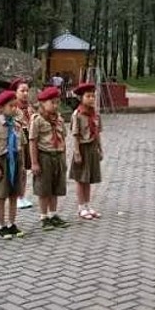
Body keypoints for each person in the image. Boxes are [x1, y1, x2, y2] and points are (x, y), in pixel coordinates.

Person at [0, 90, 27, 239]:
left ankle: (12, 223)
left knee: (14, 195)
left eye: (16, 106)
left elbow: (22, 145)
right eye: (11, 106)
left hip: (15, 160)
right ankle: (1, 225)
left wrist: (22, 166)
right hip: (3, 162)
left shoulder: (17, 125)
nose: (14, 108)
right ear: (2, 107)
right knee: (1, 195)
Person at [29, 87, 69, 230]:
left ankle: (53, 214)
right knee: (44, 188)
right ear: (42, 103)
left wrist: (64, 158)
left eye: (57, 102)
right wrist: (34, 162)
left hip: (57, 156)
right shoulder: (37, 120)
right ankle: (44, 216)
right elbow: (33, 141)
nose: (55, 105)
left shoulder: (59, 120)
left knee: (56, 187)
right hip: (44, 156)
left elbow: (63, 139)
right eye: (52, 102)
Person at [69, 83, 103, 220]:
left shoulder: (95, 114)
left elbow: (98, 133)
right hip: (82, 148)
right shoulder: (77, 114)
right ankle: (81, 207)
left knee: (88, 179)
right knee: (80, 179)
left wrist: (100, 149)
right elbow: (75, 135)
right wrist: (77, 152)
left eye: (93, 96)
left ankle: (88, 205)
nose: (91, 99)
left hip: (92, 148)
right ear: (81, 98)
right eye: (88, 96)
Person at [10, 77, 35, 209]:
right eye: (22, 91)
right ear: (15, 92)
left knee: (24, 169)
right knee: (18, 169)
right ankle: (15, 196)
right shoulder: (12, 108)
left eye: (27, 91)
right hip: (16, 140)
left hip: (28, 138)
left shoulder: (30, 108)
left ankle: (22, 195)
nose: (25, 93)